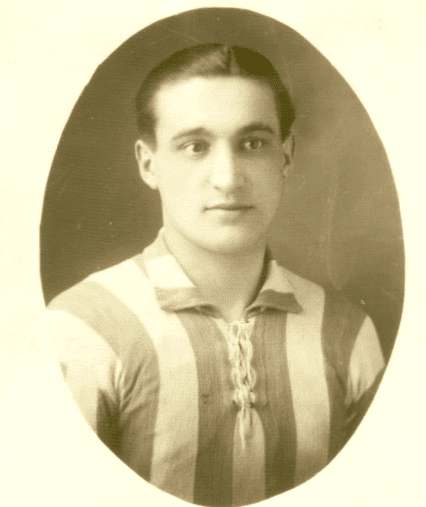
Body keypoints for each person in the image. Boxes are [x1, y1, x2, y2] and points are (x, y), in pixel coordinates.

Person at [36, 44, 385, 506]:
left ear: (285, 157)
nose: (228, 178)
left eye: (253, 144)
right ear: (148, 164)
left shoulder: (347, 333)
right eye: (195, 147)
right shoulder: (82, 329)